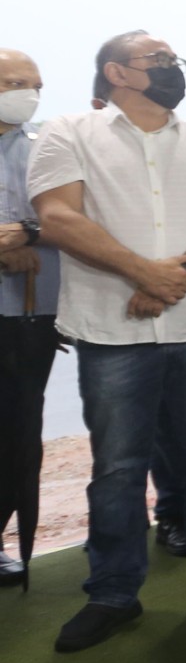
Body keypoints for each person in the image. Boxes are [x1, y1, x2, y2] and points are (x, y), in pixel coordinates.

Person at [29, 30, 186, 650]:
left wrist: (170, 277)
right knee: (118, 467)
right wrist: (141, 271)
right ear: (116, 73)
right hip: (112, 328)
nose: (170, 68)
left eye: (172, 60)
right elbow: (58, 217)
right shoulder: (69, 131)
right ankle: (113, 593)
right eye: (156, 61)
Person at [0, 50, 59, 589]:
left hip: (30, 316)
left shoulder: (48, 147)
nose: (28, 93)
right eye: (15, 83)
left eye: (34, 84)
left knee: (19, 434)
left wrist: (29, 233)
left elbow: (74, 217)